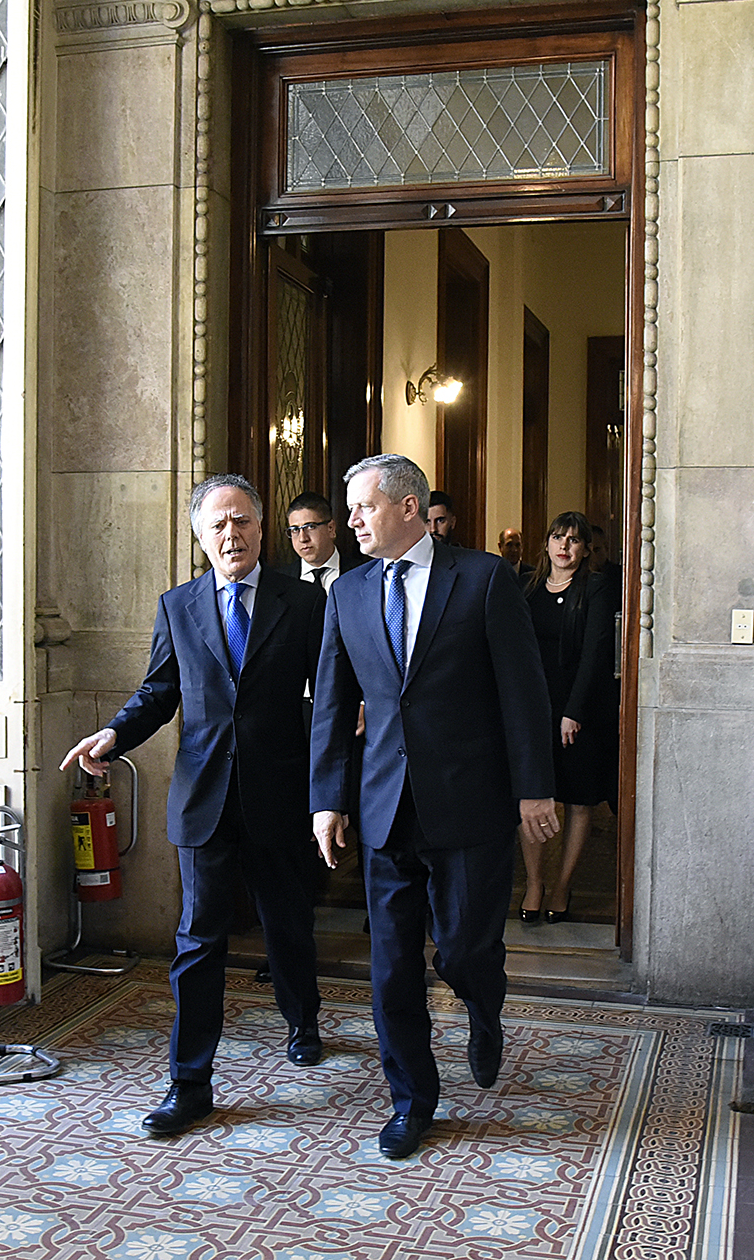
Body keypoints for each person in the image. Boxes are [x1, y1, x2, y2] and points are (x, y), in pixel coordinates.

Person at [62, 474, 326, 1138]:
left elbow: (330, 693)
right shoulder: (178, 606)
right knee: (197, 939)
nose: (230, 534)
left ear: (262, 529)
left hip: (280, 792)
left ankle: (303, 1018)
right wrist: (115, 733)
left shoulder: (303, 602)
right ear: (199, 535)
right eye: (217, 525)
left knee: (286, 922)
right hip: (204, 796)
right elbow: (159, 691)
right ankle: (190, 1084)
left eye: (241, 521)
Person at [311, 454, 559, 1159]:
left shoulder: (481, 579)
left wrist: (533, 787)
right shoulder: (348, 594)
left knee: (462, 949)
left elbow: (523, 690)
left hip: (470, 805)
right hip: (385, 808)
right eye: (348, 510)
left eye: (362, 507)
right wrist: (327, 799)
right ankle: (411, 1100)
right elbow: (331, 705)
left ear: (410, 508)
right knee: (390, 966)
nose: (350, 521)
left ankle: (484, 1005)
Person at [517, 511, 618, 925]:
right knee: (532, 798)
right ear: (546, 544)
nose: (564, 546)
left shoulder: (595, 587)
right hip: (535, 709)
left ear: (584, 548)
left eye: (573, 540)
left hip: (580, 710)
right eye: (557, 537)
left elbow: (595, 654)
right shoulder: (528, 588)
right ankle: (535, 882)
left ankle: (562, 885)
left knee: (577, 801)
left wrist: (572, 712)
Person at [281, 490, 364, 593]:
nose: (303, 538)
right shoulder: (281, 580)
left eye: (310, 527)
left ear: (331, 528)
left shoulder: (363, 573)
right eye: (295, 530)